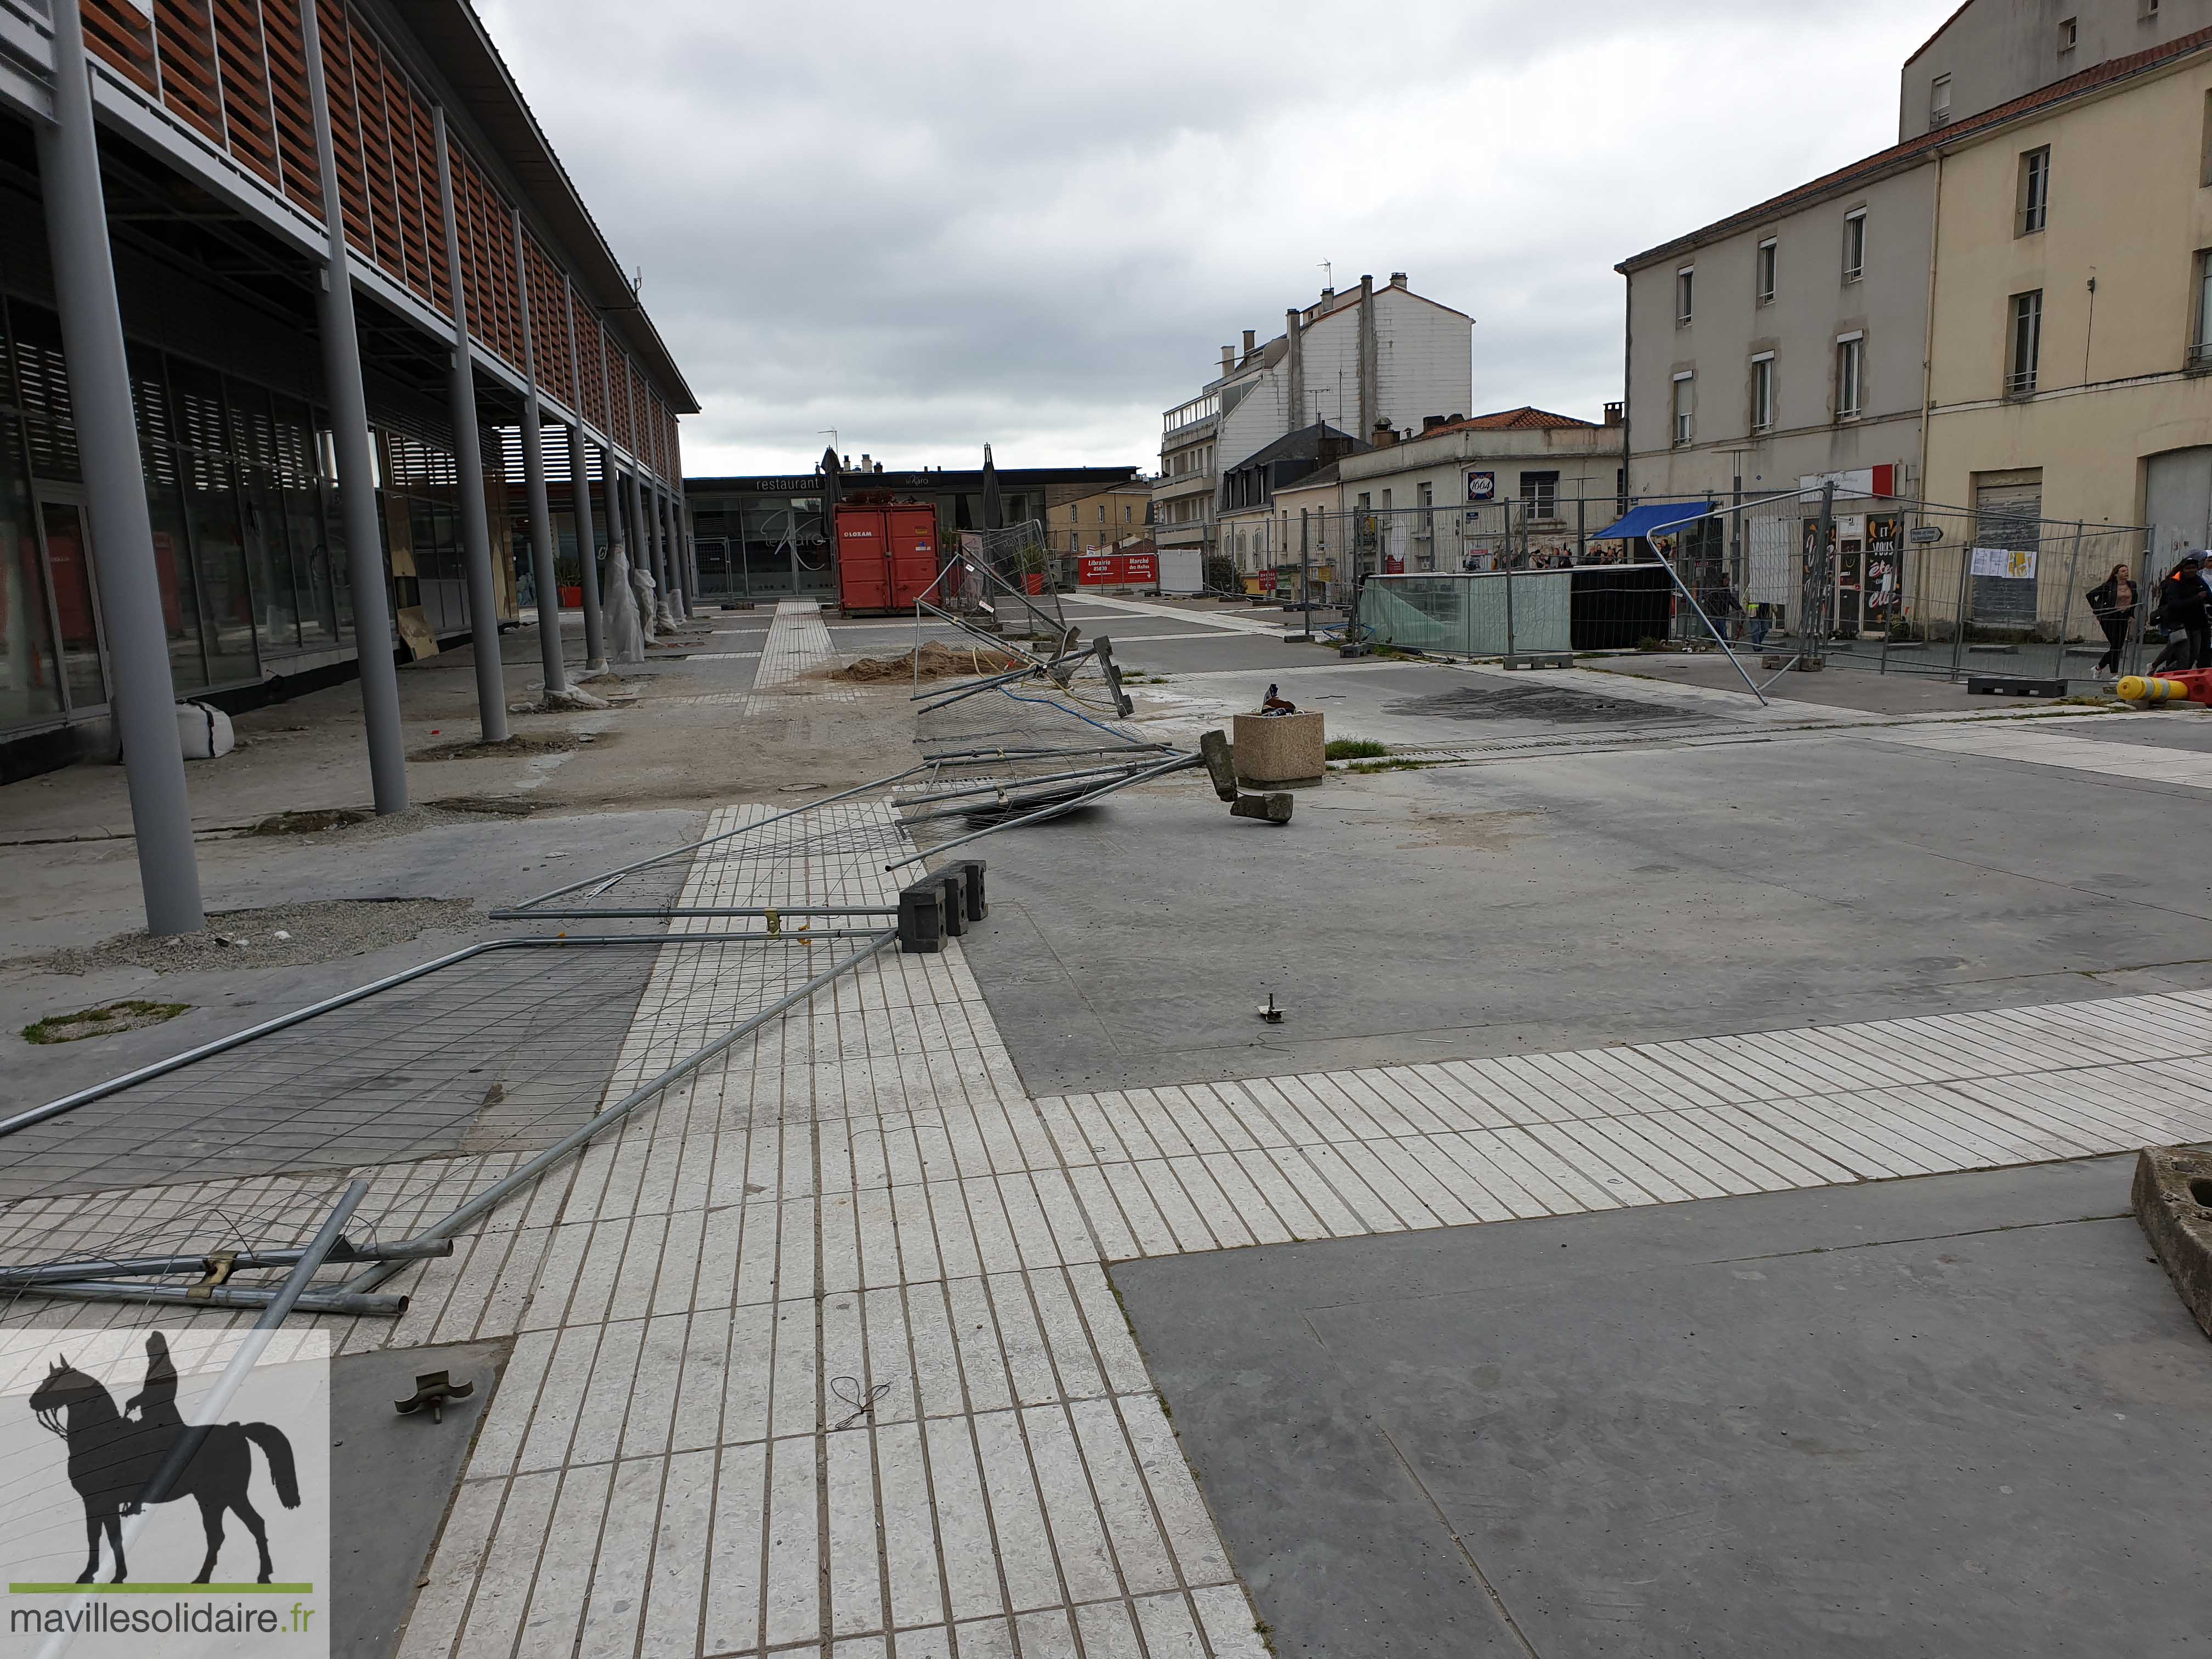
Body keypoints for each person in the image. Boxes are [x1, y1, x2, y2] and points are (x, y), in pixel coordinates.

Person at [2149, 554, 2209, 674]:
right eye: (2188, 568)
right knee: (2183, 657)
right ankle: (2168, 675)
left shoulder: (2198, 581)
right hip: (2179, 625)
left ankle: (2163, 671)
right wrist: (2197, 598)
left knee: (2194, 655)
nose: (2192, 570)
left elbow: (2209, 595)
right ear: (2182, 570)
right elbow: (2174, 605)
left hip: (2196, 624)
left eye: (2194, 568)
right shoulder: (2174, 584)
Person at [2085, 561, 2138, 675]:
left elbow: (2135, 600)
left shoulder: (2132, 585)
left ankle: (2098, 668)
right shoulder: (2108, 586)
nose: (2126, 572)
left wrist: (2131, 615)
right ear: (2116, 574)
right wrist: (2098, 611)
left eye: (2127, 570)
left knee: (2117, 646)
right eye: (2123, 571)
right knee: (2116, 646)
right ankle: (2114, 675)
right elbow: (2090, 595)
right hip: (2109, 617)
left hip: (2123, 616)